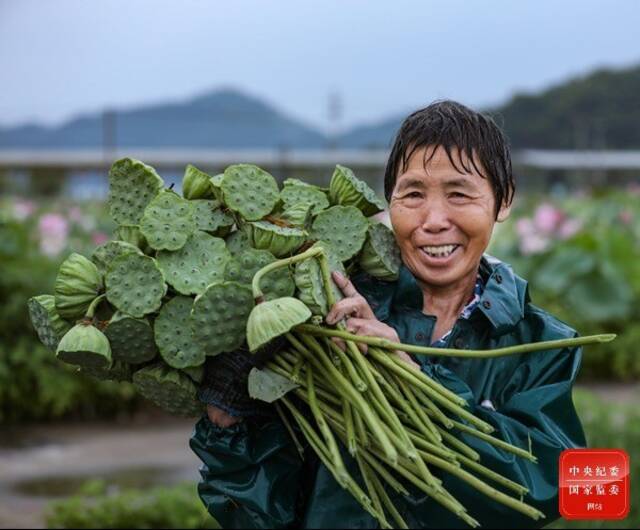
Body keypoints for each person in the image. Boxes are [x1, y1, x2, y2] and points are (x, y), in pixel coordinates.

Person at [190, 100, 586, 528]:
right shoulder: (325, 324)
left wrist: (415, 378)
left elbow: (555, 488)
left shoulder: (540, 343)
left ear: (503, 200)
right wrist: (227, 424)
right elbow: (263, 514)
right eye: (413, 194)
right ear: (389, 201)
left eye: (458, 193)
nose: (433, 220)